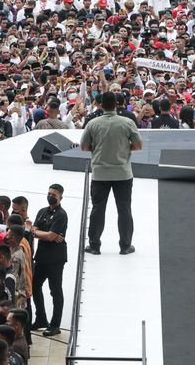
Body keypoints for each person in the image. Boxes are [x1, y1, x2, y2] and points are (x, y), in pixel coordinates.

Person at [80, 91, 142, 256]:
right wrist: (124, 149)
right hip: (123, 173)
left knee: (97, 209)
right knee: (124, 209)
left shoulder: (93, 123)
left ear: (100, 105)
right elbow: (138, 145)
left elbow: (84, 146)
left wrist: (98, 149)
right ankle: (125, 245)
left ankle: (94, 245)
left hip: (100, 174)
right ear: (117, 104)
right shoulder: (127, 122)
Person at [31, 185, 69, 338]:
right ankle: (41, 318)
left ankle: (55, 325)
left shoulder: (61, 215)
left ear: (60, 197)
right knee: (34, 286)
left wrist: (41, 233)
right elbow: (33, 230)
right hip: (41, 256)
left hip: (55, 259)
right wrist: (44, 233)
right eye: (49, 193)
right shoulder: (42, 211)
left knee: (55, 290)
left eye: (54, 194)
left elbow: (51, 236)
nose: (50, 196)